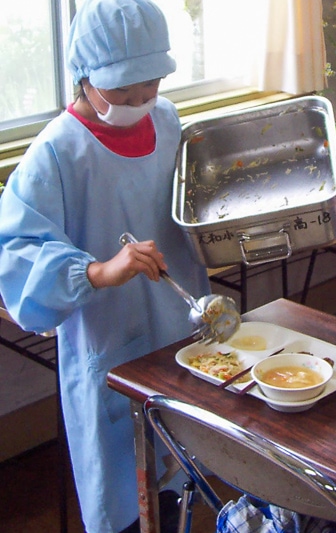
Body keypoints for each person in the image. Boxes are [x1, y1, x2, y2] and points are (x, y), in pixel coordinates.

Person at [0, 0, 211, 531]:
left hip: (175, 327)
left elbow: (184, 205)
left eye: (150, 87)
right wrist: (96, 271)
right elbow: (18, 256)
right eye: (122, 92)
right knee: (124, 491)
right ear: (84, 77)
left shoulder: (164, 120)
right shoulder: (58, 152)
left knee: (179, 478)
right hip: (108, 341)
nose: (139, 102)